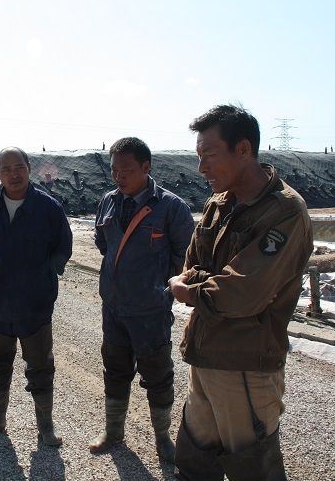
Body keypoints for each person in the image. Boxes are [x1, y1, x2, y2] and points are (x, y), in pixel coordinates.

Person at [168, 104, 313, 480]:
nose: (201, 167)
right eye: (199, 156)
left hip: (245, 365)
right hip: (205, 355)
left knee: (253, 469)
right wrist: (210, 283)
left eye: (209, 154)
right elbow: (193, 266)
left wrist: (191, 291)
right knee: (194, 464)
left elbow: (241, 292)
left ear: (244, 149)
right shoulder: (219, 203)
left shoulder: (285, 212)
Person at [89, 137, 195, 461]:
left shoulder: (171, 207)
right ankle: (113, 432)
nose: (118, 176)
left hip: (150, 311)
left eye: (126, 170)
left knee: (158, 376)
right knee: (115, 371)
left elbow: (185, 259)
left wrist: (158, 289)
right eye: (114, 170)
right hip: (113, 308)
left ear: (146, 167)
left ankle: (163, 439)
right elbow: (103, 243)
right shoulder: (108, 201)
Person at [0, 146, 73, 446]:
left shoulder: (48, 208)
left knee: (41, 367)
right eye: (6, 169)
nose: (13, 174)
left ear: (29, 168)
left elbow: (63, 248)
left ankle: (46, 427)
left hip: (35, 307)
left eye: (19, 168)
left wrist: (43, 280)